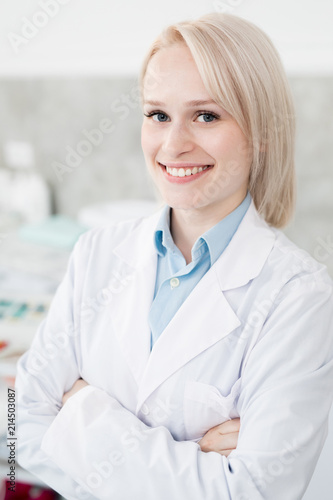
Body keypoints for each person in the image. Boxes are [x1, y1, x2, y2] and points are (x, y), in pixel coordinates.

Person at [16, 12, 333, 500]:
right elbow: (21, 431)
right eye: (157, 115)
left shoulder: (299, 296)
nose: (173, 144)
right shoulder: (97, 252)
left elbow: (254, 493)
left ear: (263, 132)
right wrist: (194, 464)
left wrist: (81, 412)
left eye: (206, 116)